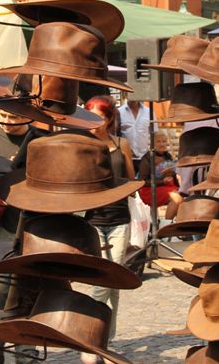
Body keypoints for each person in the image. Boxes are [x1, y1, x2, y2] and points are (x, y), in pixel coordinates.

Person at [81, 95, 135, 363]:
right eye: (89, 117)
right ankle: (91, 337)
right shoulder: (80, 145)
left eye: (98, 118)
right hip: (92, 219)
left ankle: (106, 339)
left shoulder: (121, 144)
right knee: (101, 280)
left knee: (113, 281)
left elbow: (131, 179)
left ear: (110, 119)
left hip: (119, 217)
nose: (93, 124)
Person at [136, 132, 182, 219]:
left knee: (183, 195)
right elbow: (142, 181)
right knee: (177, 198)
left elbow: (174, 174)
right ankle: (167, 223)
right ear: (152, 144)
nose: (162, 144)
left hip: (167, 186)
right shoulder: (147, 158)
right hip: (149, 189)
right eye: (158, 141)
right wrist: (162, 181)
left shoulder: (168, 156)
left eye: (164, 141)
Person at [117, 98, 150, 172]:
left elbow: (154, 133)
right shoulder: (119, 112)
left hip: (144, 157)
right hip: (125, 157)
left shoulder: (149, 112)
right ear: (125, 94)